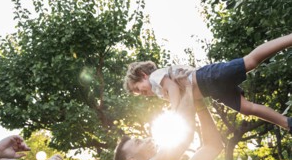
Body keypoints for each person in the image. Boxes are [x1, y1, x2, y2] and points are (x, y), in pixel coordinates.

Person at [123, 33, 292, 133]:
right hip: (212, 91)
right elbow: (187, 97)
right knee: (247, 109)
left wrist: (175, 114)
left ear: (143, 75)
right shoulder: (160, 92)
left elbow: (174, 88)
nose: (143, 94)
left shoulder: (155, 78)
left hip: (208, 77)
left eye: (139, 89)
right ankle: (287, 123)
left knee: (250, 62)